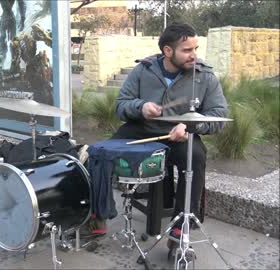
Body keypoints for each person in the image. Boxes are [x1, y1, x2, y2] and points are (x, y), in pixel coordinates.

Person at [87, 23, 229, 240]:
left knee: (196, 157)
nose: (194, 55)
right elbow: (121, 105)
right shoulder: (143, 70)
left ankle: (182, 225)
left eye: (195, 49)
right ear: (168, 51)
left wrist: (192, 125)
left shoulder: (205, 75)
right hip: (141, 128)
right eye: (187, 50)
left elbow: (219, 114)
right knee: (100, 153)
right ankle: (97, 213)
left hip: (180, 135)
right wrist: (140, 107)